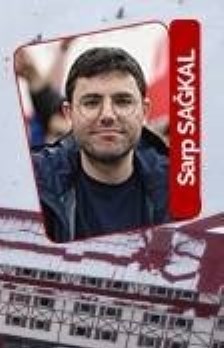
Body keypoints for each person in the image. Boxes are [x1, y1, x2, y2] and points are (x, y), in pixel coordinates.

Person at [31, 46, 170, 243]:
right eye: (91, 102)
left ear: (144, 111)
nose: (107, 115)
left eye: (123, 101)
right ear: (68, 113)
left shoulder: (183, 187)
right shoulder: (31, 182)